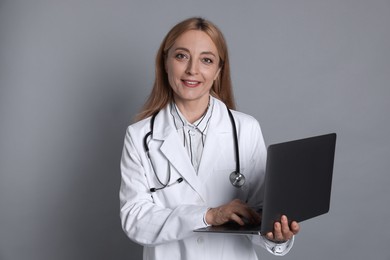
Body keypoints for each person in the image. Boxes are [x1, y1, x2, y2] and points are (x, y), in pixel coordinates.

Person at [119, 17, 300, 260]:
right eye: (181, 56)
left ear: (218, 71)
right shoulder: (140, 136)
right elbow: (135, 220)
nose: (192, 70)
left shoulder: (245, 129)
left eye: (206, 60)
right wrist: (208, 215)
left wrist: (275, 235)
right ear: (165, 62)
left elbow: (259, 214)